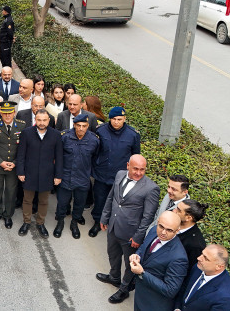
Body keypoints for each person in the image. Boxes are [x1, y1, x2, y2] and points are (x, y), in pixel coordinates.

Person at [97, 154, 161, 305]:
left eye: (142, 170)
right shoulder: (119, 175)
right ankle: (113, 277)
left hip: (130, 235)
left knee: (129, 264)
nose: (139, 173)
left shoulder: (151, 188)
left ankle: (124, 289)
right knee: (112, 254)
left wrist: (138, 237)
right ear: (128, 166)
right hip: (113, 226)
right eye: (135, 169)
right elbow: (111, 197)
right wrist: (104, 218)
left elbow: (148, 217)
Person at [90, 106, 141, 237]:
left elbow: (135, 155)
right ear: (109, 119)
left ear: (124, 119)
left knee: (117, 201)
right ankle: (97, 221)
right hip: (102, 173)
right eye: (114, 119)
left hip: (121, 176)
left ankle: (112, 224)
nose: (116, 122)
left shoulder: (133, 134)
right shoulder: (100, 131)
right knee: (100, 199)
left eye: (119, 119)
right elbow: (95, 151)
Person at [15, 110, 62, 237]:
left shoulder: (56, 135)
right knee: (27, 200)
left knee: (43, 201)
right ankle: (26, 222)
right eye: (39, 120)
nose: (42, 123)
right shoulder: (26, 133)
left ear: (49, 120)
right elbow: (21, 155)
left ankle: (40, 223)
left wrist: (58, 175)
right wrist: (20, 171)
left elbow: (59, 157)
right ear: (35, 120)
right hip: (29, 173)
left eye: (44, 120)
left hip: (47, 174)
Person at [129, 212, 188, 310]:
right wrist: (137, 256)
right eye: (161, 226)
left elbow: (170, 290)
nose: (163, 232)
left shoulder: (179, 258)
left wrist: (142, 273)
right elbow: (143, 247)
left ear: (177, 231)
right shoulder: (153, 230)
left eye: (169, 230)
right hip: (140, 294)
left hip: (154, 304)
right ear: (158, 222)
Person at [54, 113, 99, 239]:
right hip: (66, 176)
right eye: (78, 125)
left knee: (79, 203)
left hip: (82, 178)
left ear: (88, 126)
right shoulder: (65, 137)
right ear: (74, 125)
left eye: (84, 126)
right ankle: (60, 222)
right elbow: (57, 156)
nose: (81, 128)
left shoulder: (94, 140)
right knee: (62, 202)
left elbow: (95, 158)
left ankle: (74, 223)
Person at [0, 101, 24, 229]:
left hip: (13, 167)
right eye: (5, 113)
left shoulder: (21, 126)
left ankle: (8, 215)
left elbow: (23, 148)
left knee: (10, 191)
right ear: (1, 113)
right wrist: (1, 162)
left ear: (14, 113)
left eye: (10, 113)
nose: (7, 116)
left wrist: (14, 163)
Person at [175, 245, 230, 311]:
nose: (199, 258)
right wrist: (177, 307)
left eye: (206, 258)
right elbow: (185, 287)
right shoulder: (198, 268)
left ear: (219, 266)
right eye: (202, 254)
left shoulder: (226, 298)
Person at [174, 199, 208, 265]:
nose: (174, 211)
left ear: (188, 218)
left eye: (179, 210)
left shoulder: (195, 245)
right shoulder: (172, 224)